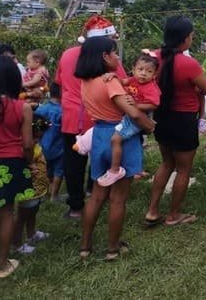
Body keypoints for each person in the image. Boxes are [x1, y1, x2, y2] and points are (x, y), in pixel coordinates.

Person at [75, 36, 155, 260]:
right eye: (113, 53)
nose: (117, 57)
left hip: (99, 136)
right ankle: (112, 248)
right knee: (118, 198)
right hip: (120, 136)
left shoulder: (86, 81)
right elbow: (133, 112)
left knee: (96, 196)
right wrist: (149, 125)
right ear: (104, 56)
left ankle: (85, 246)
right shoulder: (109, 83)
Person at [144, 16, 206, 227]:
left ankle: (152, 210)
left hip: (161, 117)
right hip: (183, 120)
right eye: (191, 36)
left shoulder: (153, 58)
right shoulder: (189, 64)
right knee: (183, 169)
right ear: (184, 39)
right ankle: (174, 215)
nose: (192, 39)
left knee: (166, 163)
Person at [54, 15, 126, 220]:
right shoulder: (107, 58)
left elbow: (58, 83)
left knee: (73, 161)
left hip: (71, 117)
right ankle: (95, 193)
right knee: (102, 157)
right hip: (100, 118)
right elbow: (121, 82)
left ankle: (76, 207)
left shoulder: (68, 55)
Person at [0, 55, 33, 278]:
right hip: (10, 165)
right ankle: (2, 265)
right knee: (6, 214)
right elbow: (28, 144)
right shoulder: (22, 107)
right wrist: (29, 162)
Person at [96, 53, 160, 187]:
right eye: (140, 69)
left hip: (138, 117)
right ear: (134, 69)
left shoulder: (151, 88)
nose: (143, 74)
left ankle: (115, 170)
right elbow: (123, 81)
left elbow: (154, 105)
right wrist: (113, 76)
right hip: (129, 115)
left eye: (149, 71)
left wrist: (136, 105)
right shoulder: (133, 80)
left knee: (115, 139)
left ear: (154, 75)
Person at [12, 116, 50, 254]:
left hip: (37, 188)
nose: (37, 140)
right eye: (35, 137)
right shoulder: (23, 147)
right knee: (22, 215)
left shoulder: (34, 144)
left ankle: (31, 233)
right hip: (28, 187)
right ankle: (16, 243)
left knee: (33, 210)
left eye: (40, 137)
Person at [34, 82, 64, 201]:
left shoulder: (41, 109)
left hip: (43, 147)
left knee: (45, 170)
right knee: (59, 171)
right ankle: (54, 195)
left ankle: (44, 193)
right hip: (59, 148)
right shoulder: (63, 112)